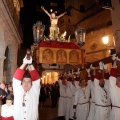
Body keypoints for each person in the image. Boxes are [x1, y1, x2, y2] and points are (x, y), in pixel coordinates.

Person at [12, 55, 41, 120]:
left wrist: (30, 64)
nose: (26, 83)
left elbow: (36, 79)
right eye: (24, 81)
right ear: (21, 82)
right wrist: (24, 63)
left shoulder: (35, 91)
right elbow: (16, 78)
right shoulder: (18, 90)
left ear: (31, 83)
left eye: (28, 82)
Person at [109, 56, 120, 120]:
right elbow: (112, 76)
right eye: (119, 80)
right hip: (116, 113)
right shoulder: (113, 88)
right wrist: (115, 61)